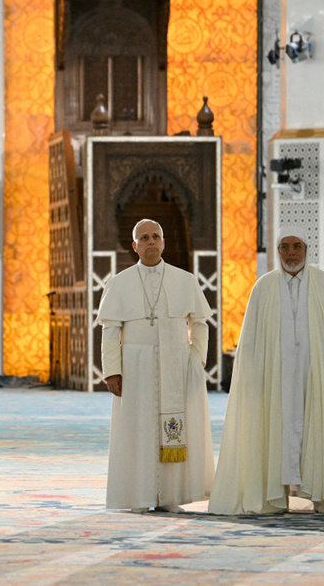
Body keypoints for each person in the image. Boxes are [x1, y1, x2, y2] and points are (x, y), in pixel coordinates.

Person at [209, 227, 324, 515]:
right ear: (278, 250)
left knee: (319, 426)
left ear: (307, 250)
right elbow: (250, 342)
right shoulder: (264, 287)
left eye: (296, 246)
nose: (291, 253)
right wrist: (252, 378)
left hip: (317, 376)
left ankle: (322, 496)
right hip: (276, 379)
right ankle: (273, 496)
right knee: (274, 430)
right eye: (284, 247)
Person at [97, 219, 214, 513]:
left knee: (173, 429)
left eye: (156, 237)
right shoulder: (119, 283)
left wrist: (196, 359)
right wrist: (112, 371)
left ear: (163, 242)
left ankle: (170, 497)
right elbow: (110, 330)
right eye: (144, 238)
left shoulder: (185, 280)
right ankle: (138, 497)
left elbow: (200, 323)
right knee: (138, 429)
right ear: (134, 246)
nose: (151, 242)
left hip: (177, 363)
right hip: (136, 367)